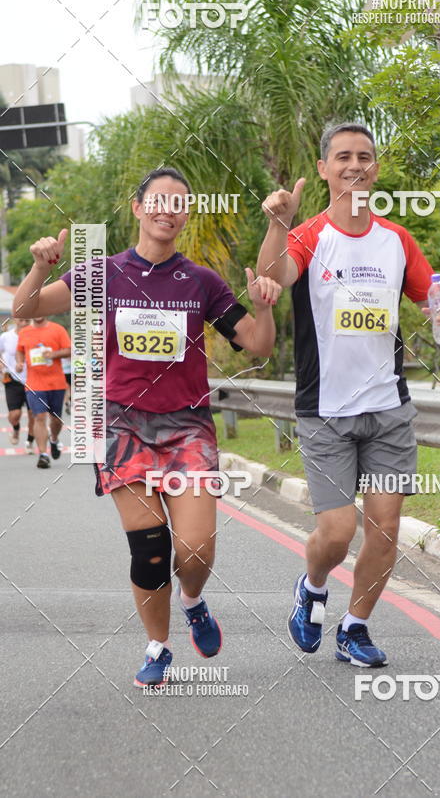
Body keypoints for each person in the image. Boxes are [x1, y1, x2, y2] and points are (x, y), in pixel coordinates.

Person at [13, 167, 281, 688]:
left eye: (178, 203)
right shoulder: (100, 274)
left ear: (185, 214)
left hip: (187, 427)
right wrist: (41, 267)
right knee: (151, 549)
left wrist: (266, 308)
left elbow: (258, 344)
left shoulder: (202, 282)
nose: (167, 210)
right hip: (121, 426)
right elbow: (24, 307)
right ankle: (158, 646)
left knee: (197, 548)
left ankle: (194, 600)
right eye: (156, 201)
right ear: (137, 209)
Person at [257, 122, 440, 667]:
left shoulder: (397, 240)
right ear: (324, 168)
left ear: (376, 167)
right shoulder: (310, 235)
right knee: (338, 530)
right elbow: (271, 278)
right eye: (343, 157)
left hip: (388, 408)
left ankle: (355, 626)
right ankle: (313, 586)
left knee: (386, 527)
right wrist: (279, 225)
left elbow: (432, 300)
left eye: (365, 157)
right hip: (325, 411)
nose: (355, 166)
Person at [15, 317, 71, 468]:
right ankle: (43, 455)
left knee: (56, 420)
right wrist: (19, 363)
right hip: (34, 384)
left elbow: (69, 351)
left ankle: (53, 439)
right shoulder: (24, 332)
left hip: (56, 383)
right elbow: (20, 351)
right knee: (39, 417)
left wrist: (53, 355)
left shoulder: (57, 329)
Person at [0, 318, 35, 452]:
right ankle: (16, 429)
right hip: (12, 380)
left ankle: (29, 442)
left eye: (27, 321)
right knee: (14, 415)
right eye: (21, 320)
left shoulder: (34, 334)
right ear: (16, 320)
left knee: (33, 414)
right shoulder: (6, 336)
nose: (24, 323)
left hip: (33, 379)